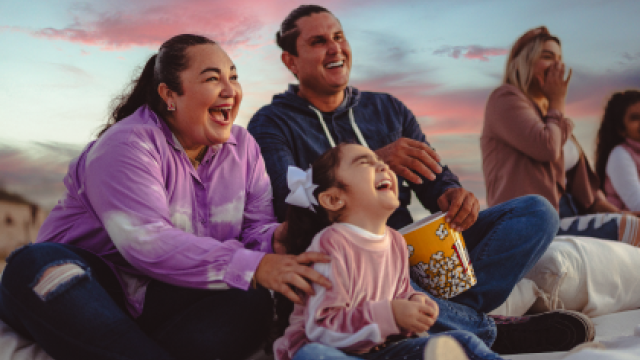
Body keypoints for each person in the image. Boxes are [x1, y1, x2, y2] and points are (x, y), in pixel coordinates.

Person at [248, 5, 594, 355]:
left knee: (537, 212)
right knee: (382, 277)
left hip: (408, 253)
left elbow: (436, 179)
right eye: (319, 41)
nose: (335, 48)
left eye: (339, 37)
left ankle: (447, 318)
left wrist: (454, 195)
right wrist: (377, 159)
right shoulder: (271, 123)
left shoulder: (388, 109)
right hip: (350, 265)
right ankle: (485, 330)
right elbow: (287, 203)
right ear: (290, 61)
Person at [0, 34, 333, 360]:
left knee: (251, 301)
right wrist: (255, 265)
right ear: (169, 94)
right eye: (213, 78)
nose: (231, 90)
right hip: (89, 287)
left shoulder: (244, 149)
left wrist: (283, 238)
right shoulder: (127, 144)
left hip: (160, 300)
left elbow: (254, 231)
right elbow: (146, 242)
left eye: (234, 77)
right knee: (35, 264)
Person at [275, 143, 500, 360]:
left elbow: (400, 292)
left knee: (463, 342)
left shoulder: (395, 241)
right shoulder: (332, 243)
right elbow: (321, 330)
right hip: (322, 349)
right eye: (365, 163)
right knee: (314, 356)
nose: (383, 167)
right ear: (334, 199)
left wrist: (416, 302)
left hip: (373, 351)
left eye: (381, 162)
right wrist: (390, 314)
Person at [481, 26, 640, 244]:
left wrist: (620, 214)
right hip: (533, 222)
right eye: (547, 56)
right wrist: (557, 101)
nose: (557, 65)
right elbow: (546, 148)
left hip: (572, 215)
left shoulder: (552, 118)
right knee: (632, 229)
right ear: (523, 61)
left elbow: (590, 196)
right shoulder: (504, 99)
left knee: (632, 224)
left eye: (559, 58)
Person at [595, 90, 640, 213]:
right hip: (624, 227)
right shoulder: (620, 155)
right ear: (621, 129)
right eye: (635, 118)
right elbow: (637, 204)